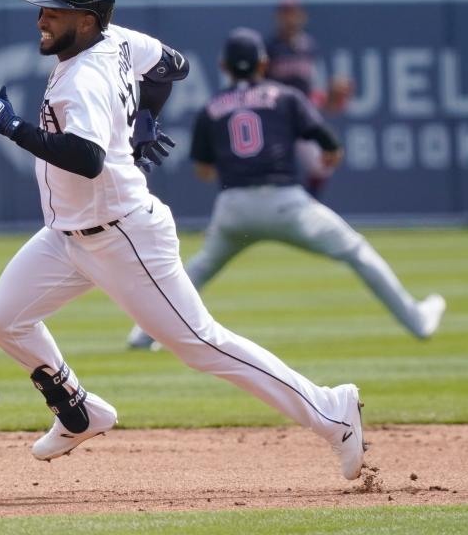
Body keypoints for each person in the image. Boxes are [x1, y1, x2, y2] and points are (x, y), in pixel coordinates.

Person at [0, 0, 366, 480]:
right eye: (42, 7)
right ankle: (78, 411)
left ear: (86, 21)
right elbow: (171, 65)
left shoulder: (83, 77)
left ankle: (332, 411)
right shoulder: (116, 40)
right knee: (2, 319)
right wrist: (146, 116)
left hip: (121, 233)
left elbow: (86, 158)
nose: (41, 18)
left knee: (202, 344)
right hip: (69, 235)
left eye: (54, 10)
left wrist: (11, 125)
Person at [126, 28, 445, 351]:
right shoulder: (286, 96)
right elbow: (329, 146)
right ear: (264, 64)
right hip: (285, 203)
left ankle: (143, 335)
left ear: (223, 66)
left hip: (234, 206)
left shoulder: (212, 107)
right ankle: (417, 321)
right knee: (357, 252)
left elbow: (205, 170)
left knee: (196, 270)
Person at [264, 0, 353, 198]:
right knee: (273, 170)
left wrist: (327, 97)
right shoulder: (270, 47)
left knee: (321, 167)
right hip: (276, 117)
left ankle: (310, 204)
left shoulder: (308, 46)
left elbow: (311, 89)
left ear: (302, 16)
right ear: (278, 17)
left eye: (293, 13)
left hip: (301, 115)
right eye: (285, 13)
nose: (289, 18)